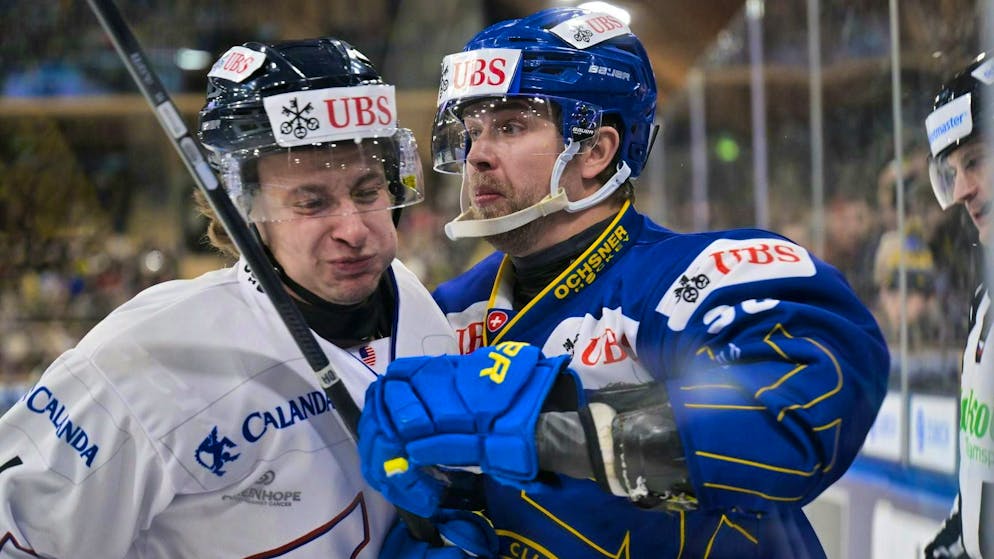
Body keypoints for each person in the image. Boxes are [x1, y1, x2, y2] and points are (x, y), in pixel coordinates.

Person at [357, 8, 891, 559]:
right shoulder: (449, 310)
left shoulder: (692, 276)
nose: (478, 156)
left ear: (596, 151)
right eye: (471, 133)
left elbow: (803, 408)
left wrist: (551, 434)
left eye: (510, 126)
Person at [0, 37, 492, 558]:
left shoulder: (418, 306)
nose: (354, 228)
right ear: (243, 215)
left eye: (368, 191)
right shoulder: (145, 360)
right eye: (311, 202)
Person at [923, 51, 994, 559]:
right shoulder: (984, 300)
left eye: (975, 161)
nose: (963, 190)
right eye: (952, 170)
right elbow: (980, 478)